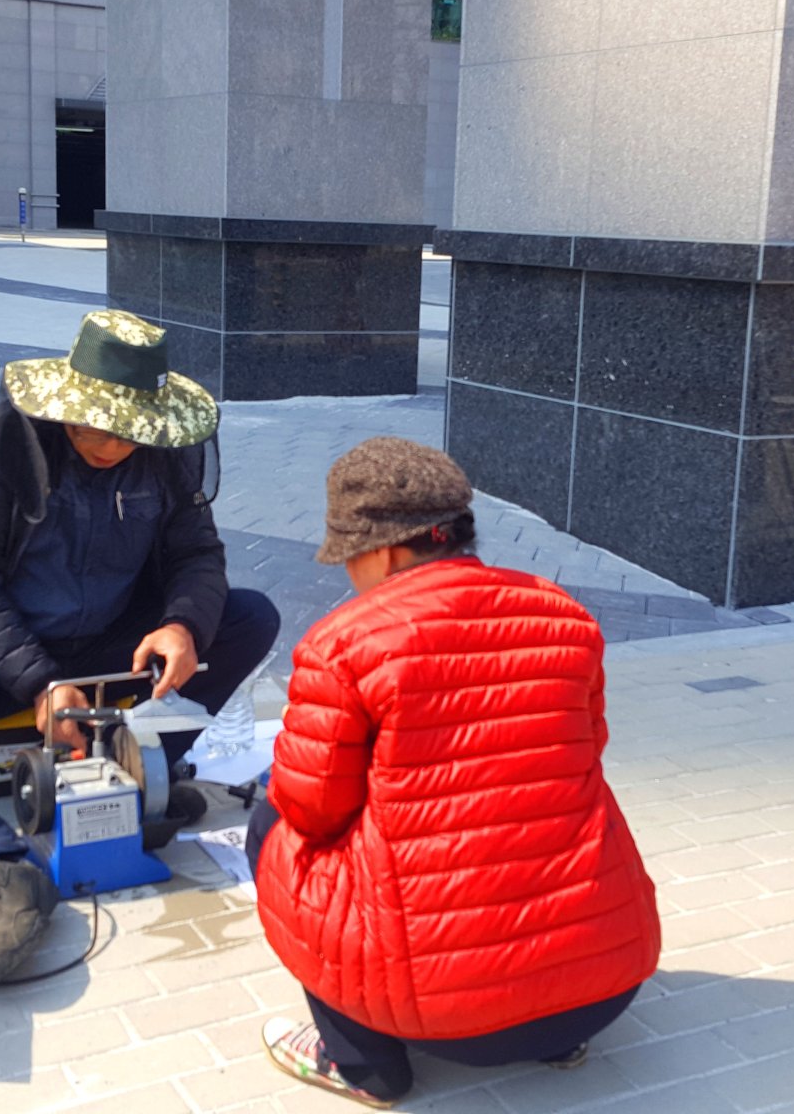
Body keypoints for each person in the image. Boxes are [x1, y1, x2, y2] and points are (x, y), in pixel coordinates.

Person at [0, 310, 280, 982]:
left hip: (113, 642)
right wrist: (37, 682)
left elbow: (197, 554)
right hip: (7, 646)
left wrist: (182, 625)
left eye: (126, 430)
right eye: (91, 424)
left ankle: (140, 779)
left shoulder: (167, 455)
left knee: (249, 616)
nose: (106, 443)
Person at [248, 437, 660, 1108]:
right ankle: (558, 1041)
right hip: (604, 990)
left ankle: (363, 1063)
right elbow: (587, 748)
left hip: (440, 1020)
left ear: (382, 552)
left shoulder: (343, 643)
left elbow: (311, 806)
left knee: (270, 823)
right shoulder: (563, 613)